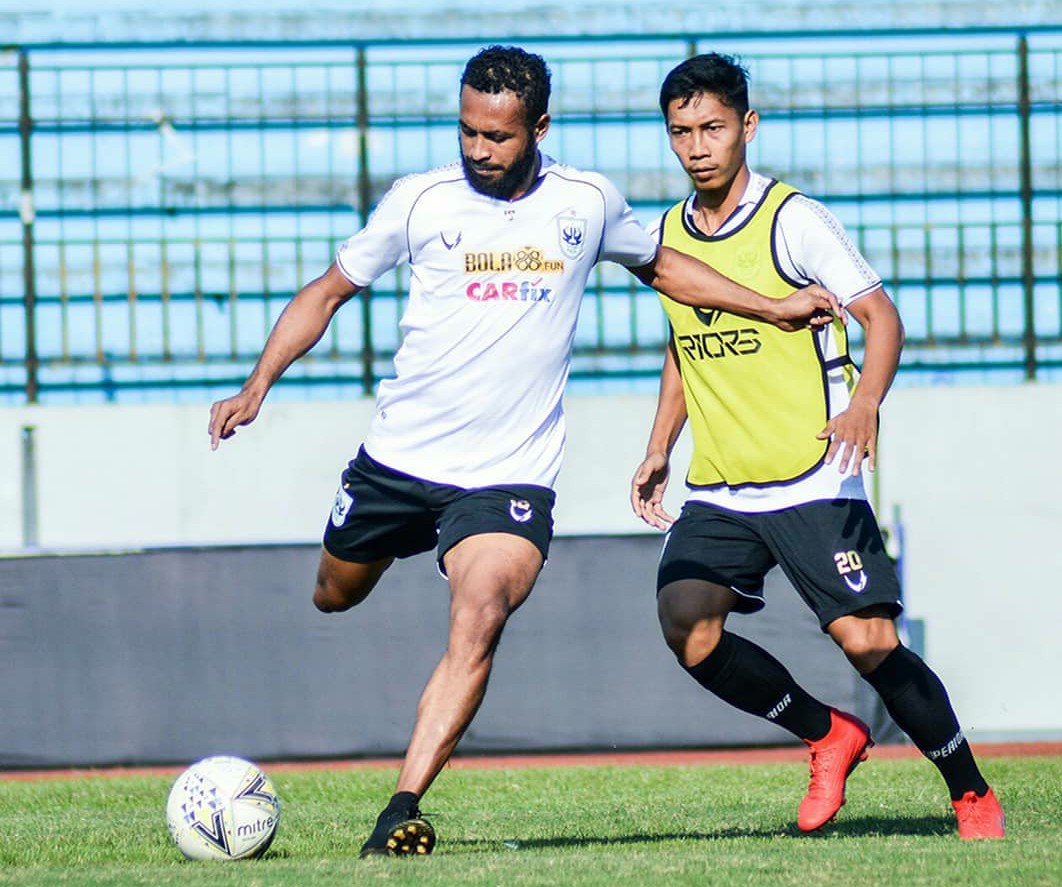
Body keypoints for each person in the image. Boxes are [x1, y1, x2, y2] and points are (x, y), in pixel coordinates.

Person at [208, 45, 841, 858]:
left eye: (498, 137)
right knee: (334, 593)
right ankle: (395, 542)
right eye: (468, 132)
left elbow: (670, 268)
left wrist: (771, 307)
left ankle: (400, 805)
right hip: (396, 462)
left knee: (478, 616)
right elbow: (328, 290)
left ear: (538, 127)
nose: (478, 150)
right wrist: (258, 383)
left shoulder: (584, 203)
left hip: (506, 478)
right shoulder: (420, 201)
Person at [630, 53, 1004, 841]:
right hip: (724, 486)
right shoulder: (665, 235)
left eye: (713, 128)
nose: (698, 146)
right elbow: (681, 343)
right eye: (681, 132)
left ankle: (969, 789)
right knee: (685, 623)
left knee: (868, 641)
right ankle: (827, 734)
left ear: (747, 126)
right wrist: (661, 442)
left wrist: (865, 400)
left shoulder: (792, 219)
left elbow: (883, 316)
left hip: (812, 475)